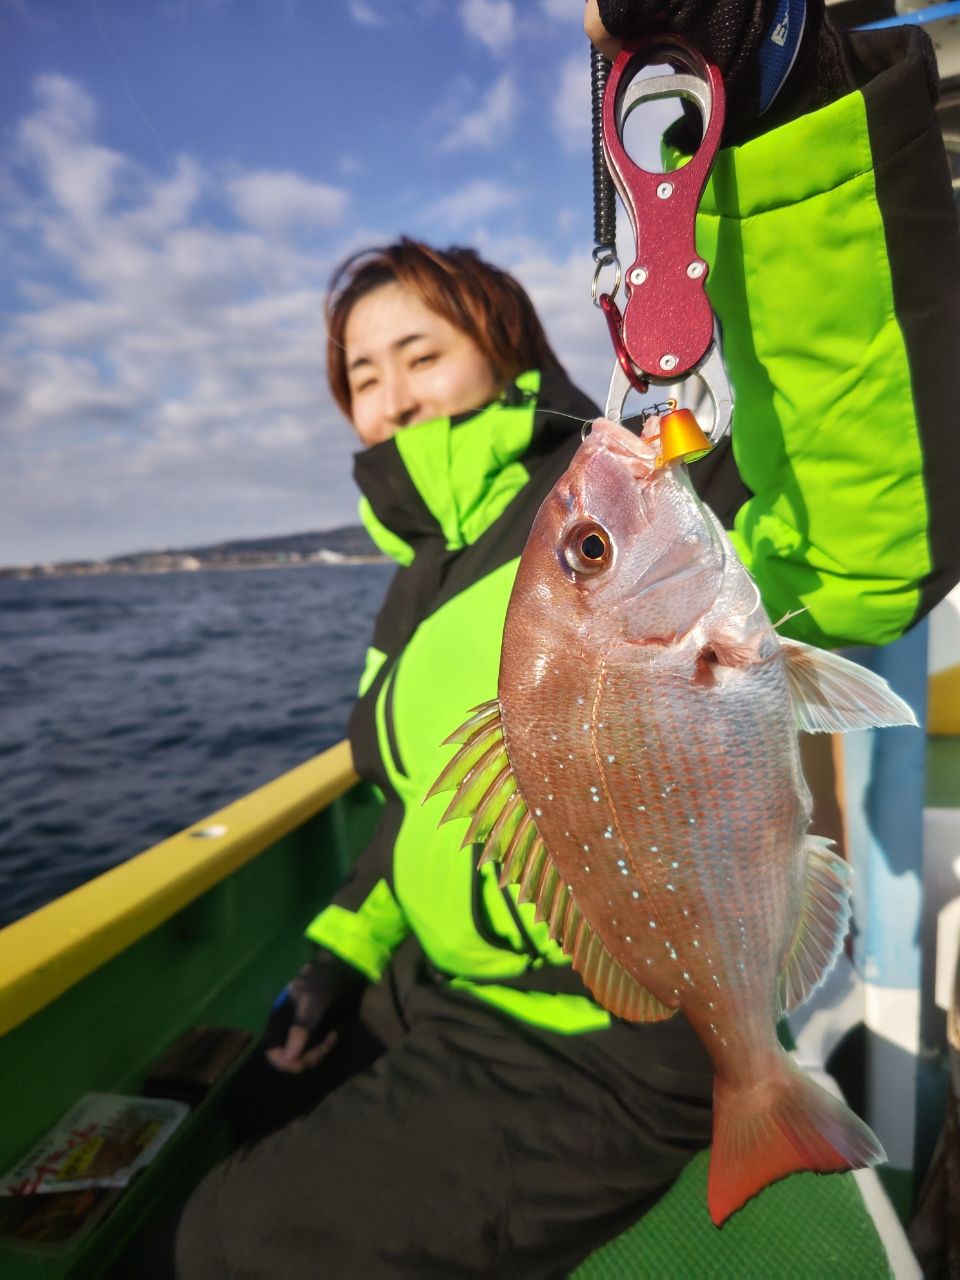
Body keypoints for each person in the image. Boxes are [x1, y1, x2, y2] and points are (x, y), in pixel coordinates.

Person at [176, 1, 960, 1275]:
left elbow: (862, 539)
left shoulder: (614, 498)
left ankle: (749, 1083)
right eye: (360, 372)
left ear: (507, 339)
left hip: (593, 1042)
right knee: (243, 1117)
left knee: (221, 1237)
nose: (390, 392)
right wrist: (336, 948)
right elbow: (415, 801)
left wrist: (782, 105)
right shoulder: (418, 578)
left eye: (419, 349)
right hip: (437, 983)